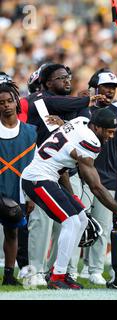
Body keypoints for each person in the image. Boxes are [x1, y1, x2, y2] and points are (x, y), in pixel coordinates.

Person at [21, 108, 117, 289]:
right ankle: (57, 277)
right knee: (71, 221)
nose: (110, 137)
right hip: (37, 179)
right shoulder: (90, 141)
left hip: (48, 178)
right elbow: (95, 187)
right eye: (108, 132)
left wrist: (72, 197)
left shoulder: (80, 122)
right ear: (97, 127)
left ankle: (60, 271)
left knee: (81, 218)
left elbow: (62, 163)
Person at [75, 69, 117, 285]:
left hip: (107, 178)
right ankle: (70, 269)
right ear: (96, 87)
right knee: (77, 224)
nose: (110, 91)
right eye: (106, 87)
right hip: (80, 177)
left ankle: (95, 269)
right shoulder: (82, 110)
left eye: (113, 88)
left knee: (103, 227)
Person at [0, 79, 37, 285]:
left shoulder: (31, 132)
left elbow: (35, 166)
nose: (5, 105)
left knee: (12, 233)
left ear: (16, 103)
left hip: (17, 191)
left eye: (9, 101)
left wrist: (31, 195)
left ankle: (8, 276)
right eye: (1, 102)